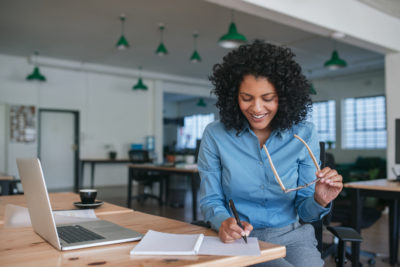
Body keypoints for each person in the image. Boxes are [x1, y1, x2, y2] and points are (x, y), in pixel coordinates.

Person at [198, 40, 343, 267]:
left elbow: (307, 210)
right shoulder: (215, 135)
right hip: (239, 238)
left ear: (284, 98)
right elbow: (211, 199)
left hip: (292, 237)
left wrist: (319, 199)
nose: (256, 108)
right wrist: (223, 222)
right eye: (246, 98)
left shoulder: (304, 134)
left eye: (268, 98)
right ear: (233, 97)